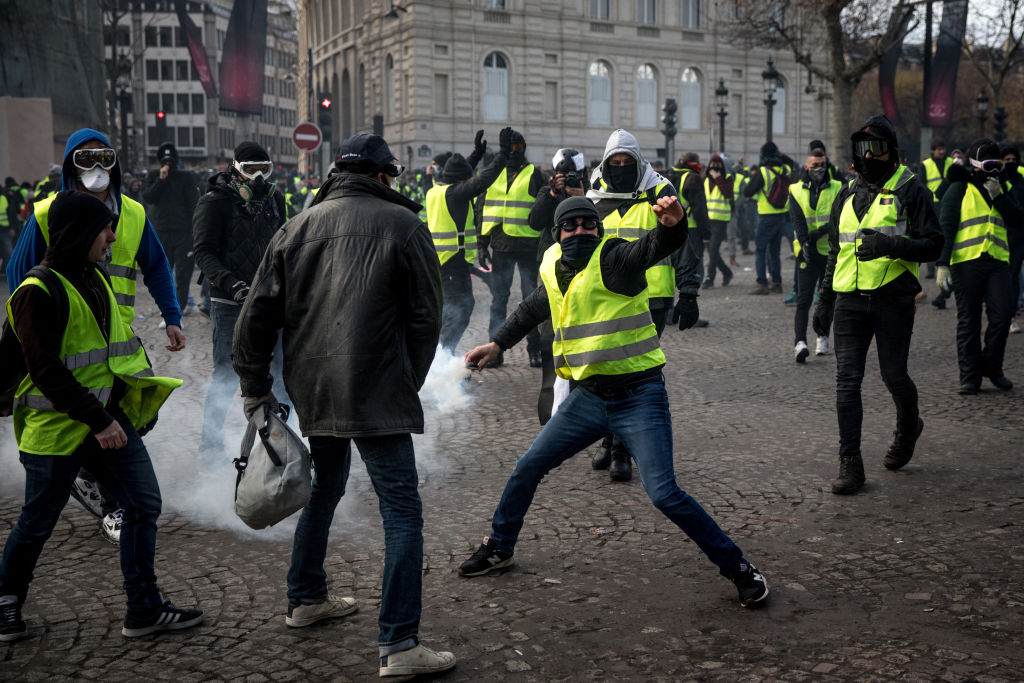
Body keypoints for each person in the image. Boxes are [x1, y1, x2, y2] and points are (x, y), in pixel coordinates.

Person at [457, 196, 769, 610]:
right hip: (588, 397)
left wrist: (675, 225)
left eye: (589, 224)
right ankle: (500, 546)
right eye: (571, 226)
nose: (581, 231)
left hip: (639, 396)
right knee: (527, 467)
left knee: (664, 494)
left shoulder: (617, 258)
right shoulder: (552, 261)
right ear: (558, 232)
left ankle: (740, 568)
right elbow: (535, 305)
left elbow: (655, 245)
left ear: (599, 229)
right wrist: (498, 343)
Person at [232, 134, 454, 678]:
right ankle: (399, 643)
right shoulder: (405, 226)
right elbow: (427, 319)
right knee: (401, 511)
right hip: (378, 389)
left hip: (316, 388)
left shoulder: (296, 227)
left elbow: (255, 315)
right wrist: (409, 380)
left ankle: (305, 598)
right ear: (382, 177)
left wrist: (255, 384)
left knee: (325, 490)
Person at [0, 191, 201, 643]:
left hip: (105, 421)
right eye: (104, 229)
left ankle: (144, 608)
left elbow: (114, 350)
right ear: (78, 233)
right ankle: (5, 602)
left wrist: (128, 408)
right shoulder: (37, 290)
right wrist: (100, 419)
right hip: (58, 430)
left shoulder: (94, 278)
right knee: (38, 520)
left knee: (144, 502)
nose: (112, 237)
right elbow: (44, 369)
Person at [5, 128, 185, 544]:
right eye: (85, 159)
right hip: (68, 341)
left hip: (118, 342)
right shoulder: (47, 212)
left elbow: (156, 266)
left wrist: (172, 315)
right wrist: (29, 331)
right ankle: (110, 502)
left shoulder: (134, 214)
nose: (96, 168)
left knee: (139, 415)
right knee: (89, 418)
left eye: (103, 157)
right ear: (69, 165)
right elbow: (19, 274)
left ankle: (97, 482)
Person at [812, 115, 942, 495]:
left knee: (893, 376)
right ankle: (850, 461)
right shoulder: (847, 193)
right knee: (846, 382)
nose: (869, 155)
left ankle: (908, 425)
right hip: (850, 302)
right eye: (863, 148)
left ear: (891, 150)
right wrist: (824, 301)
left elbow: (934, 244)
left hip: (893, 299)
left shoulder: (911, 188)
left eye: (877, 148)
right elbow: (835, 251)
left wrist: (891, 246)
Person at [587, 131, 696, 481]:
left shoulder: (661, 192)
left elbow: (681, 241)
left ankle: (622, 451)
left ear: (638, 163)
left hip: (653, 298)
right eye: (614, 164)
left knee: (630, 373)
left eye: (627, 163)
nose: (620, 169)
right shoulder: (595, 197)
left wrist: (689, 291)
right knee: (604, 370)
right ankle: (608, 438)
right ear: (606, 164)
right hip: (608, 298)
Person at [192, 141, 288, 455]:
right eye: (251, 170)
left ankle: (281, 442)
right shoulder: (214, 202)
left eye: (265, 169)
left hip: (270, 300)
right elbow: (204, 253)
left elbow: (284, 242)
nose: (259, 177)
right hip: (228, 303)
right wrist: (230, 284)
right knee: (227, 374)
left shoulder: (275, 199)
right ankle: (211, 444)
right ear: (236, 169)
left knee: (280, 372)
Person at [935, 139, 1023, 394]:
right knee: (968, 321)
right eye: (988, 164)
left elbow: (1018, 219)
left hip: (998, 262)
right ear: (974, 165)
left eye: (997, 164)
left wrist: (1000, 197)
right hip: (966, 264)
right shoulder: (958, 188)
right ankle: (970, 376)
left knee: (1002, 316)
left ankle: (992, 368)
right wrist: (943, 264)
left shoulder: (1003, 186)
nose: (993, 169)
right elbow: (947, 227)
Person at [426, 129, 506, 353]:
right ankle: (443, 358)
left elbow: (460, 175)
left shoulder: (437, 189)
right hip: (452, 262)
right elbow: (483, 180)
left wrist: (476, 155)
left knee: (450, 310)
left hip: (443, 261)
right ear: (460, 180)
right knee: (461, 307)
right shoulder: (455, 194)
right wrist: (503, 155)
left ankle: (441, 356)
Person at [530, 147, 590, 425]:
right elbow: (534, 221)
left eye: (572, 175)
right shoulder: (547, 191)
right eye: (561, 175)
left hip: (587, 271)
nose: (567, 178)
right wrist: (554, 194)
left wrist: (583, 196)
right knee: (550, 337)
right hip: (552, 268)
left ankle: (585, 405)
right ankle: (551, 413)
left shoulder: (592, 190)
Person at [479, 128, 545, 368]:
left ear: (524, 149)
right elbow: (483, 208)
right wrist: (481, 244)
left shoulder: (535, 173)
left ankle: (534, 350)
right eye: (512, 148)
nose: (516, 152)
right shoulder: (494, 173)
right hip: (501, 246)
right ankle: (494, 351)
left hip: (529, 245)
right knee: (499, 300)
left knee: (532, 300)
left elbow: (543, 206)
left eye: (519, 148)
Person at [789, 150, 843, 362]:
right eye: (814, 165)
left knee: (826, 298)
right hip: (806, 252)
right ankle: (800, 342)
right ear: (806, 167)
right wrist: (804, 241)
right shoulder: (795, 189)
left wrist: (817, 233)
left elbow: (837, 218)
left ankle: (822, 335)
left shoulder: (837, 187)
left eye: (822, 164)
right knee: (803, 300)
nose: (818, 169)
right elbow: (796, 218)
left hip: (829, 250)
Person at [143, 142, 199, 316]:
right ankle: (169, 309)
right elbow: (149, 197)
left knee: (182, 276)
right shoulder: (154, 176)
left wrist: (193, 232)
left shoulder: (186, 177)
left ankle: (178, 311)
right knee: (165, 274)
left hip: (183, 233)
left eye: (171, 159)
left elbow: (193, 204)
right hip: (162, 231)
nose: (168, 162)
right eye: (165, 159)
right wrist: (161, 179)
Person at [744, 142, 796, 294]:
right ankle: (777, 282)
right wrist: (782, 155)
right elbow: (792, 163)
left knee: (760, 249)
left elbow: (747, 191)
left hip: (766, 216)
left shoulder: (763, 172)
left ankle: (762, 283)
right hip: (782, 216)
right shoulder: (785, 169)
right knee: (775, 251)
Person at [703, 154, 735, 288]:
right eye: (713, 164)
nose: (715, 167)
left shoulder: (727, 178)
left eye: (718, 164)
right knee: (711, 250)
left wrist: (718, 179)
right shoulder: (705, 180)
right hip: (707, 220)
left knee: (714, 249)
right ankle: (727, 272)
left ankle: (710, 278)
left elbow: (728, 194)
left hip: (720, 220)